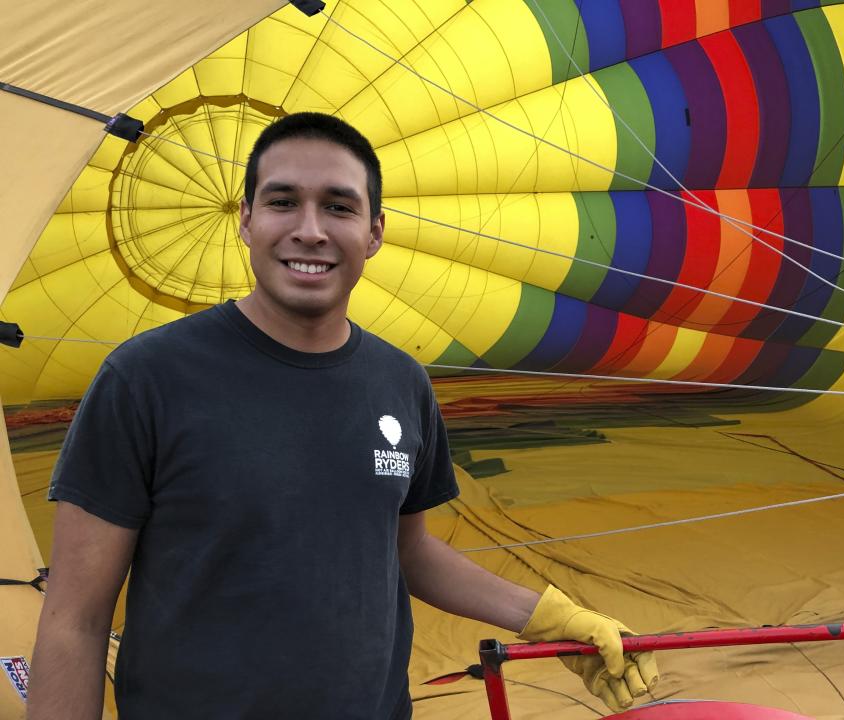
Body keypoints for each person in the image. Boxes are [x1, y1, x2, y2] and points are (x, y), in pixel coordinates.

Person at [26, 112, 658, 719]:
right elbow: (74, 620)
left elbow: (409, 552)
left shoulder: (401, 382)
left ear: (374, 231)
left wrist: (557, 618)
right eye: (281, 202)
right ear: (244, 220)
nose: (310, 230)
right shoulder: (145, 378)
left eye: (338, 205)